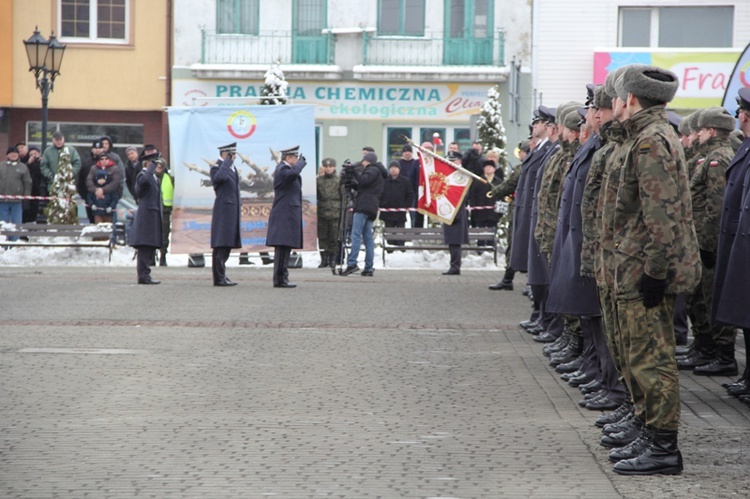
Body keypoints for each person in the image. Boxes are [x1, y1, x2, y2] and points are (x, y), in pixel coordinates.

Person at [607, 64, 700, 476]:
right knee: (641, 355)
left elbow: (659, 215)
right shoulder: (646, 136)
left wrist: (656, 271)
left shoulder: (651, 141)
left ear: (630, 98)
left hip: (643, 266)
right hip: (633, 262)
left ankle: (663, 447)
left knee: (653, 358)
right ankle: (649, 432)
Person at [677, 107, 737, 376]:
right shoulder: (708, 158)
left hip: (708, 243)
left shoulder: (718, 158)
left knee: (712, 298)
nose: (695, 135)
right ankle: (704, 346)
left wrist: (710, 245)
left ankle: (723, 355)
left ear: (711, 131)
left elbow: (717, 205)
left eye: (700, 130)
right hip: (700, 240)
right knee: (698, 297)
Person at [712, 87, 750, 401]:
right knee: (744, 317)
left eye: (740, 111)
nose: (738, 115)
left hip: (744, 243)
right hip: (738, 241)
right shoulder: (746, 148)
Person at [266, 145, 307, 288]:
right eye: (295, 158)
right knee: (282, 248)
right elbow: (292, 175)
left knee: (286, 247)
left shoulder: (287, 170)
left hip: (288, 213)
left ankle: (283, 277)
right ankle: (280, 279)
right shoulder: (282, 170)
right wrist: (301, 164)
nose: (297, 160)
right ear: (288, 158)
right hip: (284, 213)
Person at [341, 151, 387, 276]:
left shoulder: (372, 170)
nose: (362, 163)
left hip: (363, 207)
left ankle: (351, 264)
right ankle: (368, 267)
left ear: (369, 161)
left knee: (355, 235)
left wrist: (354, 170)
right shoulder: (378, 173)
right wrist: (354, 186)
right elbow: (365, 188)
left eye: (364, 160)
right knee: (367, 238)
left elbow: (363, 181)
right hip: (371, 207)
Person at [128, 150, 163, 284]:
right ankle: (143, 275)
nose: (158, 166)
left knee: (149, 247)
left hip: (152, 215)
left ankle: (146, 274)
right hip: (146, 216)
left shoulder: (153, 177)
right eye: (155, 163)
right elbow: (141, 185)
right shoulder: (143, 175)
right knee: (144, 247)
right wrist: (151, 168)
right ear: (148, 163)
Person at [210, 142, 242, 287]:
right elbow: (219, 179)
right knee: (221, 244)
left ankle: (222, 274)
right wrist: (227, 162)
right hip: (223, 210)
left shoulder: (231, 168)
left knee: (227, 243)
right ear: (225, 154)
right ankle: (218, 278)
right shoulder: (217, 167)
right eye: (231, 154)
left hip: (232, 211)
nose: (234, 157)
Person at [379, 160, 414, 248]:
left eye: (395, 168)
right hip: (387, 213)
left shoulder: (405, 181)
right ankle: (390, 249)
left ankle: (401, 249)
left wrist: (405, 206)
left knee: (400, 233)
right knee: (389, 233)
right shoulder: (384, 181)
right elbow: (379, 194)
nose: (393, 170)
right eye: (391, 168)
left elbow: (410, 195)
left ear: (399, 169)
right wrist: (382, 204)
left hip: (400, 213)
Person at [468, 159, 503, 246]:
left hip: (493, 213)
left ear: (494, 169)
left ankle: (491, 248)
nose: (488, 169)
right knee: (481, 233)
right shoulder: (478, 181)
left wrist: (500, 212)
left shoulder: (498, 182)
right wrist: (474, 208)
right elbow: (472, 195)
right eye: (486, 167)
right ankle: (480, 249)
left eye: (490, 167)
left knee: (492, 232)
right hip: (480, 212)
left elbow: (502, 196)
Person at [0, 147, 32, 240]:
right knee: (2, 222)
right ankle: (3, 242)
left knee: (16, 222)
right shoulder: (1, 166)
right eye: (11, 153)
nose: (13, 155)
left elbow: (27, 183)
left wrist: (26, 196)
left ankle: (14, 242)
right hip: (2, 200)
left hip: (17, 201)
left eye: (15, 153)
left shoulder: (23, 167)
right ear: (7, 155)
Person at [316, 157, 341, 268]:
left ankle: (332, 259)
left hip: (335, 213)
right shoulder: (318, 180)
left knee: (334, 237)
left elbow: (343, 196)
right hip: (322, 212)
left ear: (334, 167)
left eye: (330, 166)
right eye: (326, 166)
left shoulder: (339, 180)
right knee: (322, 237)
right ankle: (324, 259)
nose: (328, 168)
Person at [86, 152, 122, 223]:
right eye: (102, 159)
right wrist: (96, 190)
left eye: (106, 159)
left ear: (109, 159)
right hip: (97, 203)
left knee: (110, 225)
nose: (104, 160)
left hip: (109, 202)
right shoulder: (94, 168)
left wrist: (103, 190)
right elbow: (89, 181)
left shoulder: (115, 168)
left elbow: (115, 183)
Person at [78, 140, 106, 223]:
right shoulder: (86, 163)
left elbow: (115, 180)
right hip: (90, 198)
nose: (98, 150)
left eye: (100, 148)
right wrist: (85, 196)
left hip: (106, 198)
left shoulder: (108, 162)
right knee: (92, 222)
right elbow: (81, 181)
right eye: (95, 148)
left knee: (106, 224)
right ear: (92, 149)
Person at [399, 145, 421, 228]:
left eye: (409, 151)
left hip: (413, 192)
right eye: (405, 151)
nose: (407, 153)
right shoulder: (399, 163)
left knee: (414, 214)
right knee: (401, 214)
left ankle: (414, 231)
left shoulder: (415, 163)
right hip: (401, 192)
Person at [21, 146, 44, 223]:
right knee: (27, 210)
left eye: (35, 154)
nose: (34, 156)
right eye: (31, 154)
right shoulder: (25, 163)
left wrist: (43, 163)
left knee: (37, 209)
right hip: (28, 190)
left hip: (39, 189)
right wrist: (29, 163)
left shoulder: (42, 162)